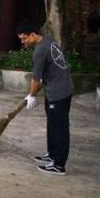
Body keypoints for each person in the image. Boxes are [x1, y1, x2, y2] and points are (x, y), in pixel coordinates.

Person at [16, 22, 73, 176]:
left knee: (60, 128)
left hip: (58, 93)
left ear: (33, 35)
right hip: (60, 89)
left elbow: (36, 79)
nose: (23, 42)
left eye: (24, 38)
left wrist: (32, 96)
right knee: (52, 124)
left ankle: (59, 165)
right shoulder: (48, 40)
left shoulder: (40, 50)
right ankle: (52, 154)